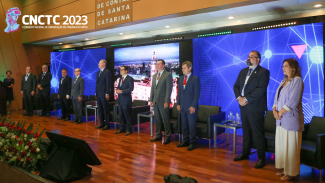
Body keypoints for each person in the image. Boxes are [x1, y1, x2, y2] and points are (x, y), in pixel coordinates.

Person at [233, 51, 270, 169]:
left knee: (257, 133)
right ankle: (245, 153)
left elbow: (261, 89)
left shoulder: (263, 72)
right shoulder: (243, 71)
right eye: (248, 56)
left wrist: (246, 99)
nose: (249, 58)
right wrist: (239, 98)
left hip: (255, 107)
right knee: (246, 131)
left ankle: (261, 158)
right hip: (243, 105)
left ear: (258, 60)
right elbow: (236, 86)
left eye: (252, 57)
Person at [273, 58, 304, 181]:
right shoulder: (284, 81)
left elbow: (293, 100)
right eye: (283, 66)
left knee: (291, 147)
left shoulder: (298, 81)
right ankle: (284, 168)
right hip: (280, 119)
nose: (283, 68)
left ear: (293, 67)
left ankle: (291, 172)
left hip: (290, 119)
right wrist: (274, 110)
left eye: (285, 66)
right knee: (282, 146)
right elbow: (277, 98)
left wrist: (280, 112)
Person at [176, 61, 200, 151]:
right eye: (182, 68)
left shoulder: (195, 79)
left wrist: (193, 106)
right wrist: (178, 103)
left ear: (190, 68)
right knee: (184, 125)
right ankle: (185, 141)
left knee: (191, 125)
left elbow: (196, 94)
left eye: (184, 68)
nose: (182, 70)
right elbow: (179, 93)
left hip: (190, 107)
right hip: (182, 106)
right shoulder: (181, 78)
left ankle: (193, 142)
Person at [150, 59, 173, 144]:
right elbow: (152, 88)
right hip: (156, 101)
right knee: (157, 119)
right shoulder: (155, 75)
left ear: (163, 65)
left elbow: (169, 89)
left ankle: (167, 136)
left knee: (165, 119)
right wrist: (151, 99)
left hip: (163, 102)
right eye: (157, 64)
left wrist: (167, 101)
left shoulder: (168, 75)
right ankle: (158, 135)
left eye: (159, 64)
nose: (157, 65)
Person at [115, 66, 134, 136]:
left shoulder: (130, 79)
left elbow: (130, 89)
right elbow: (119, 87)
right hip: (120, 100)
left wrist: (122, 91)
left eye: (122, 70)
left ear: (126, 71)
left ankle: (129, 129)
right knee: (121, 115)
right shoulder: (120, 78)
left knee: (127, 115)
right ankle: (121, 128)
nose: (121, 71)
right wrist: (117, 90)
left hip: (126, 100)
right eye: (120, 70)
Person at [95, 59, 112, 130]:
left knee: (105, 109)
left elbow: (108, 84)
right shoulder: (98, 72)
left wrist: (107, 93)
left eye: (99, 63)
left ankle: (107, 124)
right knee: (100, 109)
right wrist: (96, 92)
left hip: (104, 94)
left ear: (104, 64)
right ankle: (102, 123)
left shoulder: (107, 72)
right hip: (98, 94)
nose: (98, 64)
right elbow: (97, 83)